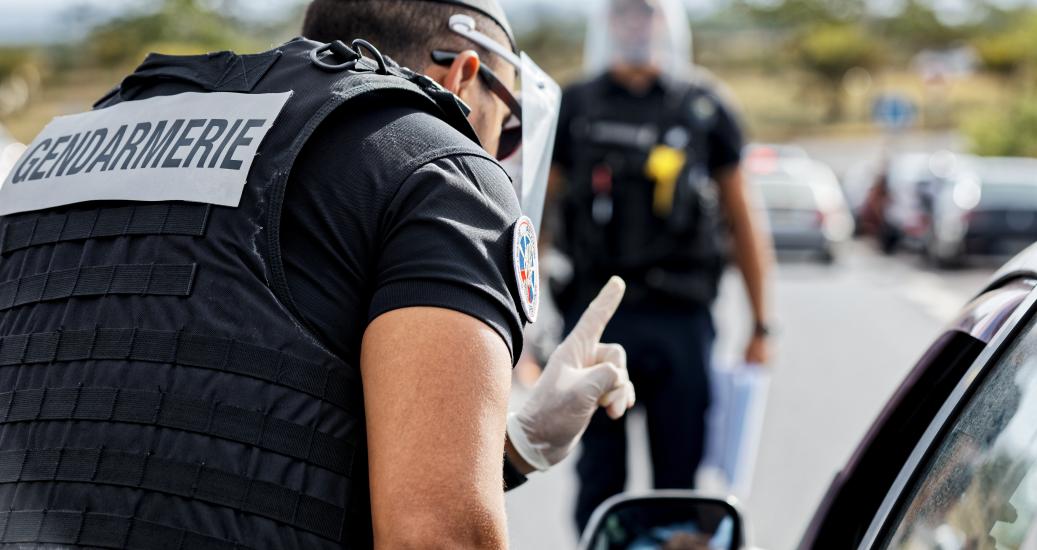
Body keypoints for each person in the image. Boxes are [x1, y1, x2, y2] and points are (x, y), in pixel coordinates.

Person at [0, 0, 635, 547]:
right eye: (509, 127)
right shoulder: (438, 168)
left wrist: (513, 449)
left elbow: (180, 425)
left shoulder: (73, 146)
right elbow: (434, 538)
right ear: (465, 77)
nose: (499, 152)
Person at [549, 0, 775, 532]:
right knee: (599, 476)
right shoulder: (575, 105)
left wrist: (762, 325)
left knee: (680, 477)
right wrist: (523, 333)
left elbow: (743, 221)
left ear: (666, 23)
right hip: (596, 320)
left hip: (681, 320)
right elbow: (538, 219)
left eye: (647, 14)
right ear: (607, 24)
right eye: (624, 15)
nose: (636, 25)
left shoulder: (703, 106)